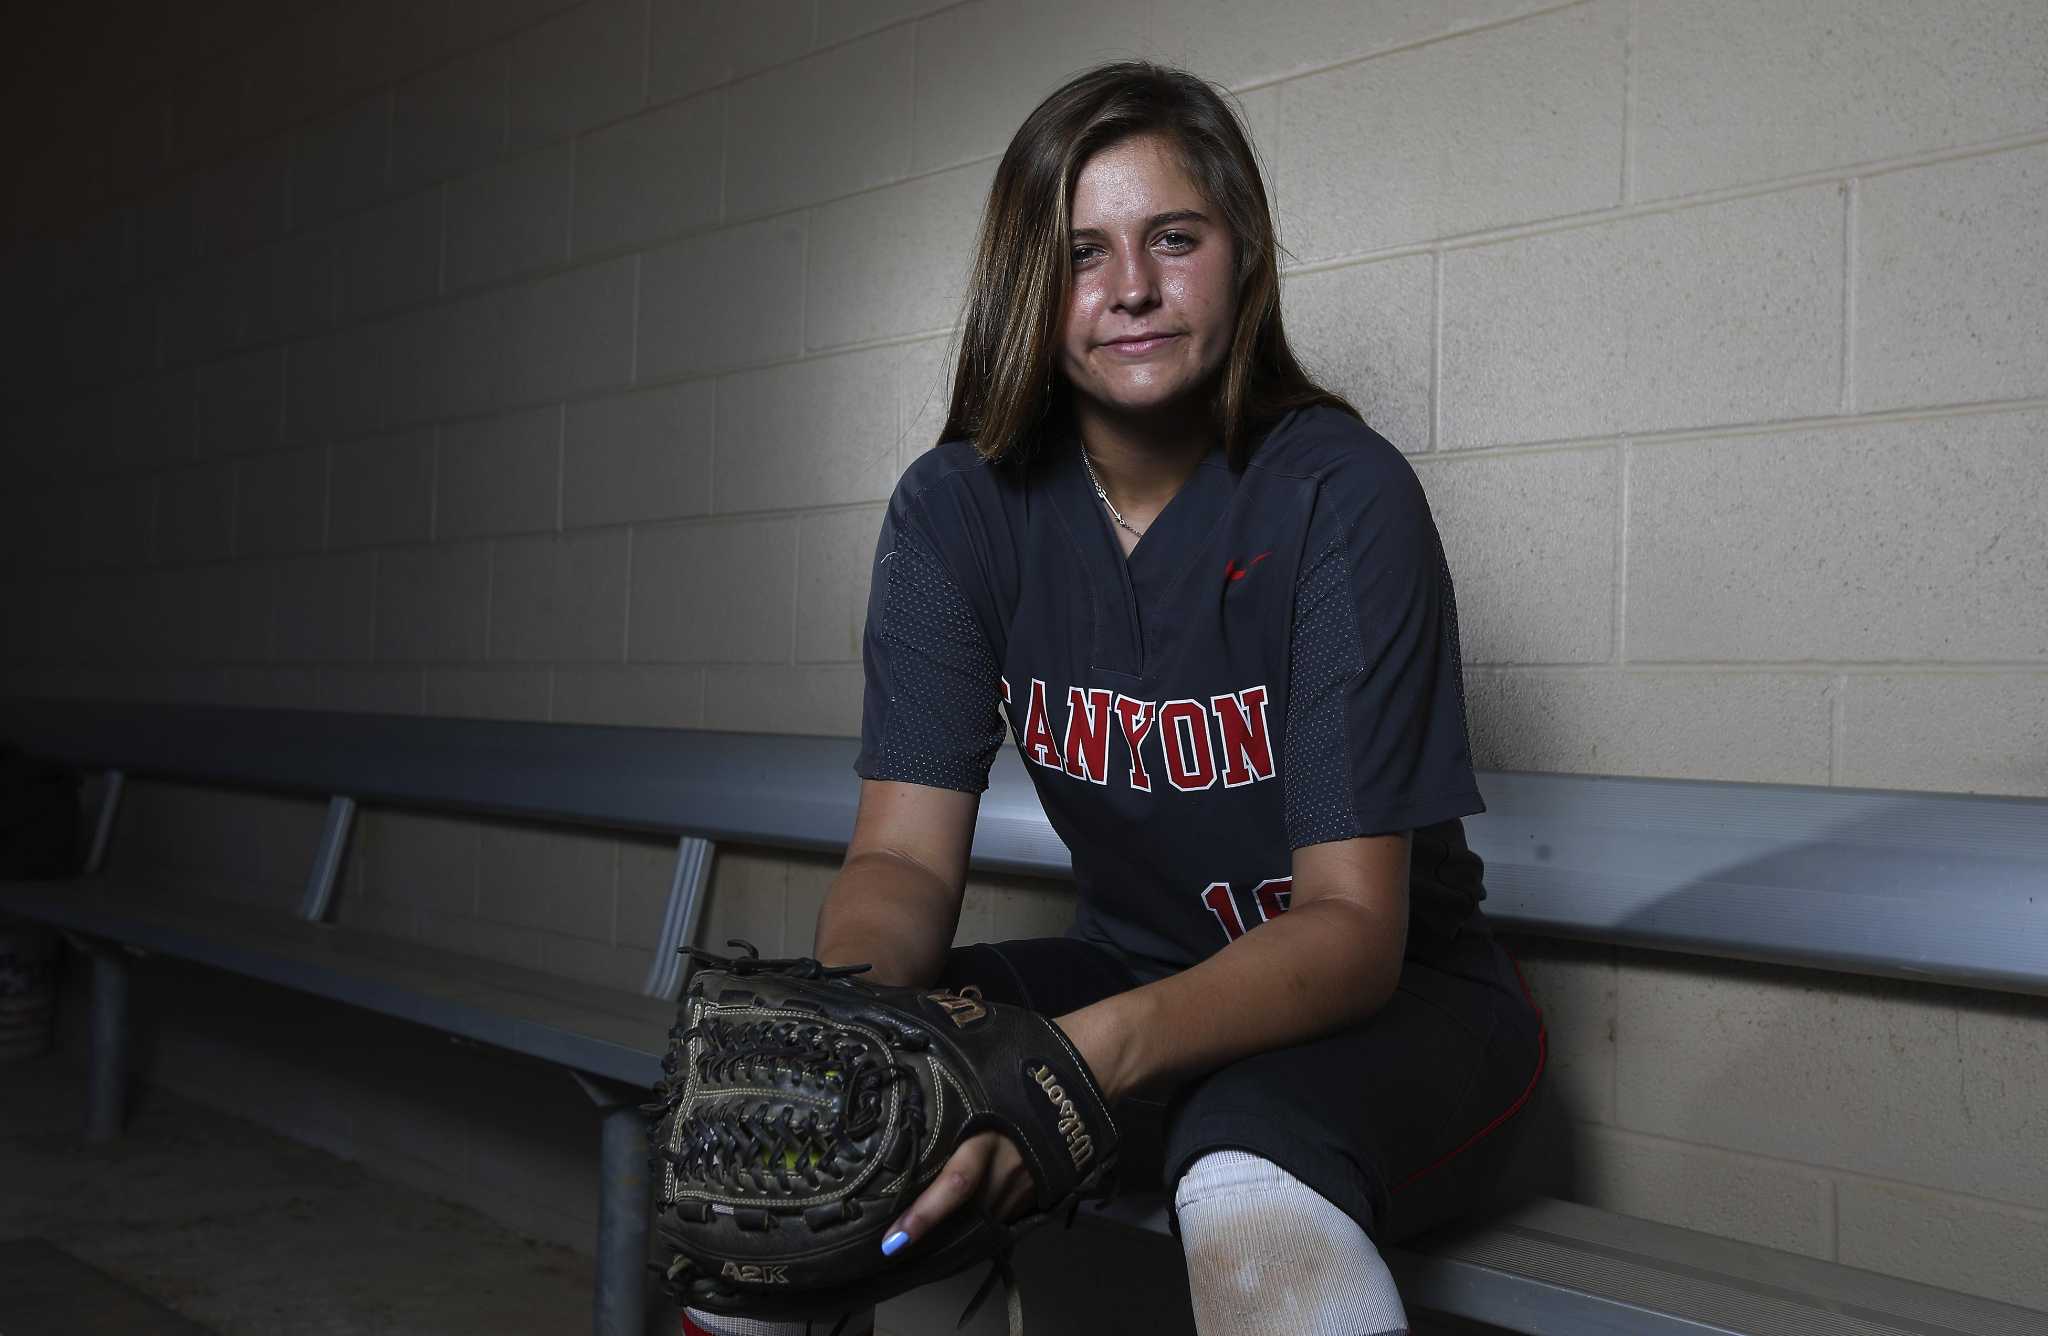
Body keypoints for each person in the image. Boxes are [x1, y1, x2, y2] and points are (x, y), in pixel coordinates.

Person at [682, 60, 1545, 1336]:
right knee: (819, 1124)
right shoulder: (957, 508)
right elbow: (902, 863)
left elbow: (1353, 928)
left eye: (1172, 238)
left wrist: (1069, 1070)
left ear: (1240, 255)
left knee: (1246, 1166)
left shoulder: (1337, 494)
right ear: (1029, 284)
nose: (1130, 287)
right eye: (1081, 251)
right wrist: (865, 1041)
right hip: (1130, 972)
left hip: (1396, 1006)